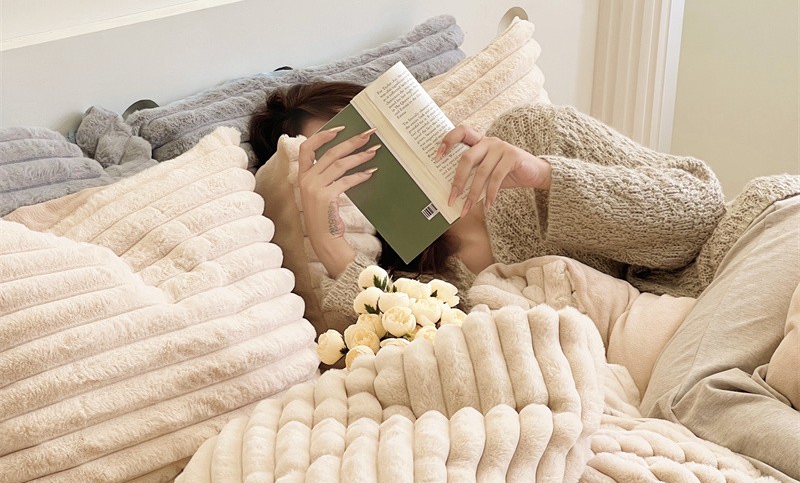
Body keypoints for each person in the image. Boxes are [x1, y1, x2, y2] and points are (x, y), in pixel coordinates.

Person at [248, 82, 798, 324]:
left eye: (372, 136)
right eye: (342, 165)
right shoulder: (416, 285)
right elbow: (448, 367)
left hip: (753, 248)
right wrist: (333, 248)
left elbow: (699, 212)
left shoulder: (529, 134)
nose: (374, 163)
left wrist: (546, 178)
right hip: (697, 347)